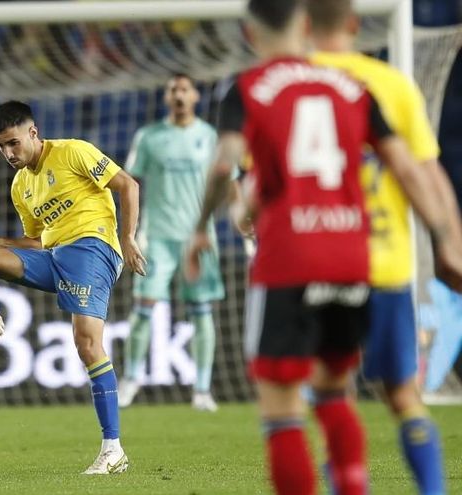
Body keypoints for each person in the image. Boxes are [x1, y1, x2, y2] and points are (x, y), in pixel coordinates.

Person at [185, 1, 462, 494]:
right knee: (350, 394)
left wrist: (204, 225)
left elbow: (230, 168)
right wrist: (444, 239)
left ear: (252, 33)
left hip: (291, 257)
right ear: (309, 25)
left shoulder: (252, 88)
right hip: (359, 259)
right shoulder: (362, 87)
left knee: (284, 409)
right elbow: (412, 170)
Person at [0, 100, 146, 475]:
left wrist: (128, 238)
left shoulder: (73, 151)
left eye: (13, 143)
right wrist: (3, 242)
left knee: (86, 343)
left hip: (92, 246)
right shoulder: (21, 186)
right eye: (2, 146)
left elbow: (128, 185)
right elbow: (39, 242)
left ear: (33, 132)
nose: (8, 153)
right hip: (56, 255)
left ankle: (113, 449)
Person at [307, 1, 462, 493]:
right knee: (402, 395)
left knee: (330, 389)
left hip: (321, 261)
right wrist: (448, 241)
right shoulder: (391, 84)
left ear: (305, 26)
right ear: (355, 25)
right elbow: (426, 172)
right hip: (388, 260)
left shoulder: (290, 82)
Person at [118, 74, 224, 411]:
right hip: (158, 236)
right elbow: (130, 182)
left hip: (198, 237)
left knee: (202, 311)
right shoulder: (149, 137)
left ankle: (203, 390)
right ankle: (132, 380)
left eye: (184, 89)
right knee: (143, 307)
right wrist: (132, 232)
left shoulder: (209, 137)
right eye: (173, 89)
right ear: (167, 97)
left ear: (195, 96)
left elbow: (228, 180)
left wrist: (240, 218)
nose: (179, 94)